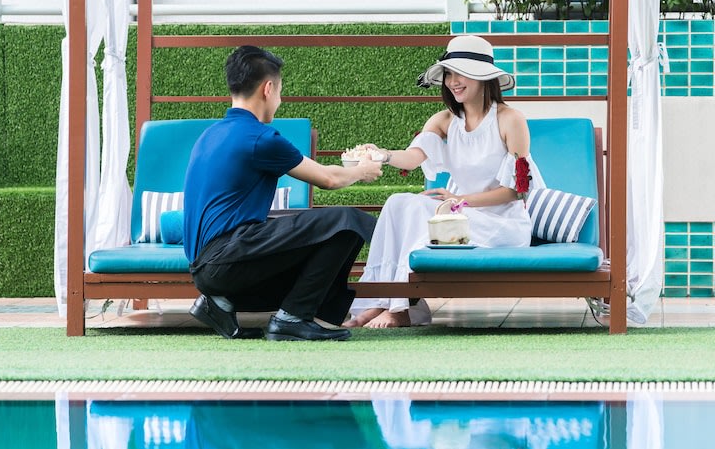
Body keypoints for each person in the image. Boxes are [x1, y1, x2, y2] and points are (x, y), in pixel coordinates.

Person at [184, 45, 381, 341]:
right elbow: (327, 179)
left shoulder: (210, 134)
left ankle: (220, 302)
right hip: (227, 260)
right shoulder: (260, 138)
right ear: (268, 88)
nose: (280, 100)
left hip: (206, 269)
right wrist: (362, 171)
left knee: (317, 232)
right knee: (346, 222)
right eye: (280, 92)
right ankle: (293, 318)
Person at [346, 35, 544, 328]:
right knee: (399, 202)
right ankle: (384, 300)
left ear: (484, 77)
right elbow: (413, 158)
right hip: (460, 214)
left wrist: (460, 201)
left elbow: (516, 191)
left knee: (422, 212)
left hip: (500, 225)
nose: (453, 81)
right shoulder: (443, 120)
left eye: (461, 73)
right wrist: (381, 154)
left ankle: (401, 308)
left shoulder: (510, 119)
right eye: (449, 74)